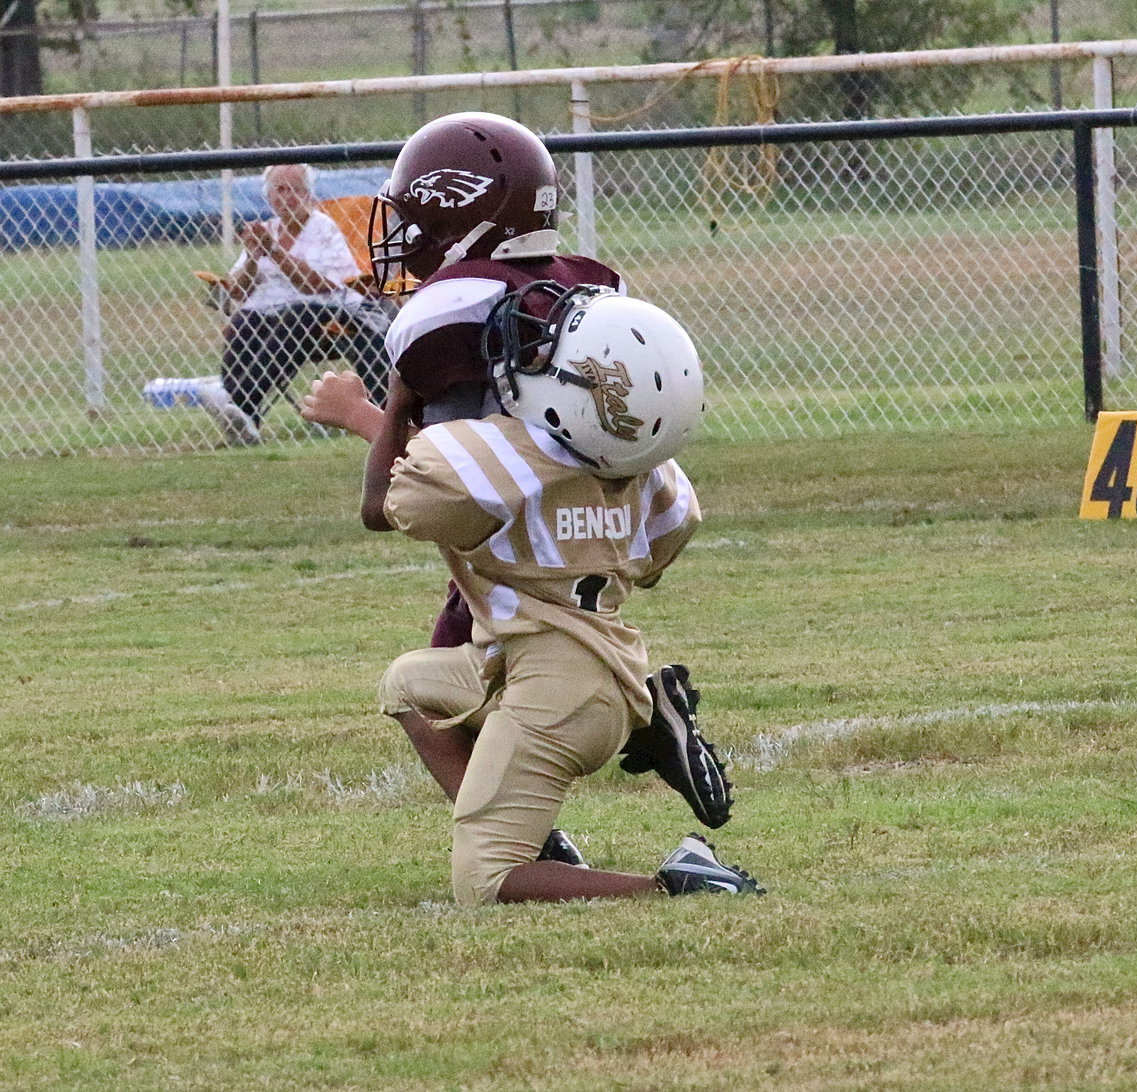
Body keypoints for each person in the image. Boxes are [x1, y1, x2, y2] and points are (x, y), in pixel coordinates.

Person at [302, 113, 734, 864]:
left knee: (459, 691)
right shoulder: (587, 286)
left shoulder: (449, 311)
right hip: (603, 515)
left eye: (415, 215)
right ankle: (640, 722)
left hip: (511, 535)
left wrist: (365, 412)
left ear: (461, 211)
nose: (403, 234)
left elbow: (415, 483)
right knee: (486, 672)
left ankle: (532, 846)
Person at [365, 281, 761, 903]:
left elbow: (386, 502)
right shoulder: (652, 470)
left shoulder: (498, 461)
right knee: (408, 683)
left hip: (557, 693)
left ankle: (674, 884)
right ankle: (550, 827)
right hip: (597, 669)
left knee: (484, 883)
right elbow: (656, 557)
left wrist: (388, 403)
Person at [200, 163, 391, 446]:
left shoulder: (323, 229)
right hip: (270, 317)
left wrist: (275, 252)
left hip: (329, 316)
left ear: (309, 195)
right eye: (280, 189)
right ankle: (244, 420)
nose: (287, 196)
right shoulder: (266, 230)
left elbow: (317, 285)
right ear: (268, 196)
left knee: (295, 315)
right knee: (243, 320)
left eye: (296, 190)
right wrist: (253, 257)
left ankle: (236, 401)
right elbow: (238, 292)